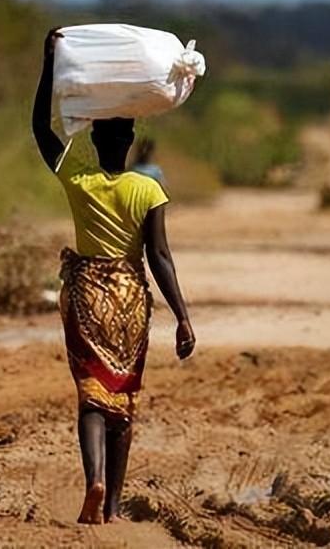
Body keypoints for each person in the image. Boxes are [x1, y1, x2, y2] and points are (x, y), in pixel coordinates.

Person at [32, 28, 196, 524]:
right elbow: (160, 258)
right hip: (129, 299)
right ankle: (115, 503)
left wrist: (48, 64)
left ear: (97, 136)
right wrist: (184, 319)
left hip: (85, 294)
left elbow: (42, 128)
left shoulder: (78, 178)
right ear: (128, 141)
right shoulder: (147, 190)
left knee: (90, 392)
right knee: (123, 397)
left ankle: (93, 480)